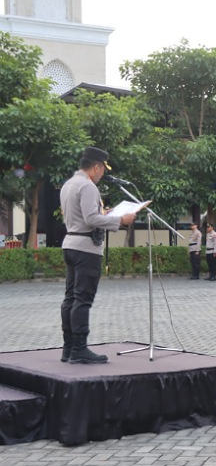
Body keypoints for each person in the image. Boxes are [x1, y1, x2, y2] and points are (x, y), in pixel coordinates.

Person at [60, 147, 136, 364]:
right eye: (102, 169)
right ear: (96, 167)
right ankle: (80, 349)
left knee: (71, 298)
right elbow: (91, 219)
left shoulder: (69, 184)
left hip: (71, 243)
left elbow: (84, 216)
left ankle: (69, 348)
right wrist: (119, 220)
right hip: (86, 248)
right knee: (82, 299)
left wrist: (106, 215)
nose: (103, 174)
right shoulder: (88, 186)